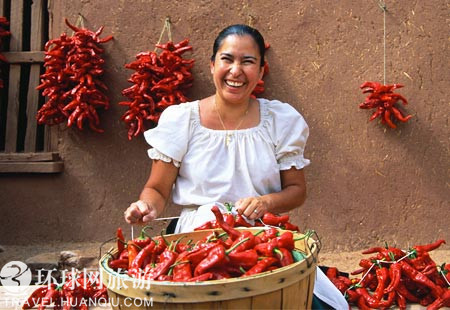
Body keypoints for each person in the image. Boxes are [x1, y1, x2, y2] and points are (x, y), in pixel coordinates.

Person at [123, 24, 348, 310]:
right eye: (227, 59)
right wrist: (147, 206)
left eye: (248, 61)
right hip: (197, 239)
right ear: (212, 65)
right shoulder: (183, 121)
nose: (236, 71)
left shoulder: (279, 121)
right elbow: (156, 188)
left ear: (261, 71)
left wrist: (266, 202)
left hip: (261, 241)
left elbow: (297, 191)